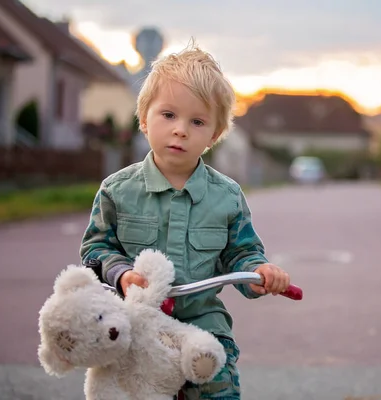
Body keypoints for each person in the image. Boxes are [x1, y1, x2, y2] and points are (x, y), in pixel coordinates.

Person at [79, 42, 291, 399]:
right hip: (137, 321)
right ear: (144, 119)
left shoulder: (227, 196)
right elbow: (95, 250)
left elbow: (242, 253)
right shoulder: (116, 191)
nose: (180, 130)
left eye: (197, 121)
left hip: (202, 323)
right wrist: (121, 273)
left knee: (217, 382)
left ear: (214, 135)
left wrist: (260, 273)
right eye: (169, 115)